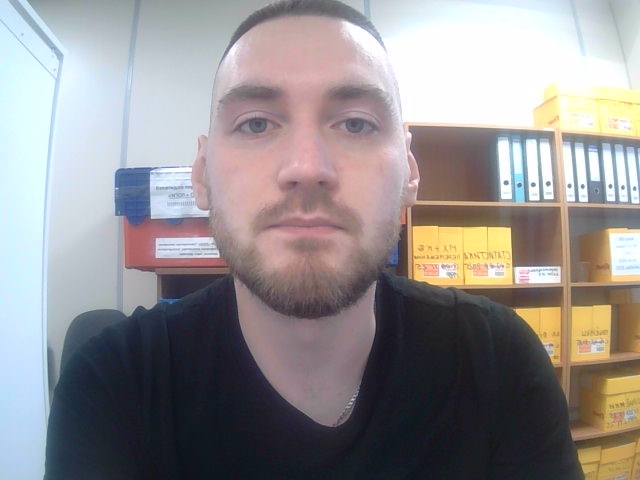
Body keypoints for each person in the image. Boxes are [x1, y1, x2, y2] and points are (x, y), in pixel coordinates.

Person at [45, 0, 583, 478]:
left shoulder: (498, 362)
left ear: (410, 172)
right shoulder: (112, 383)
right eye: (257, 124)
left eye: (355, 124)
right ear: (202, 175)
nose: (306, 167)